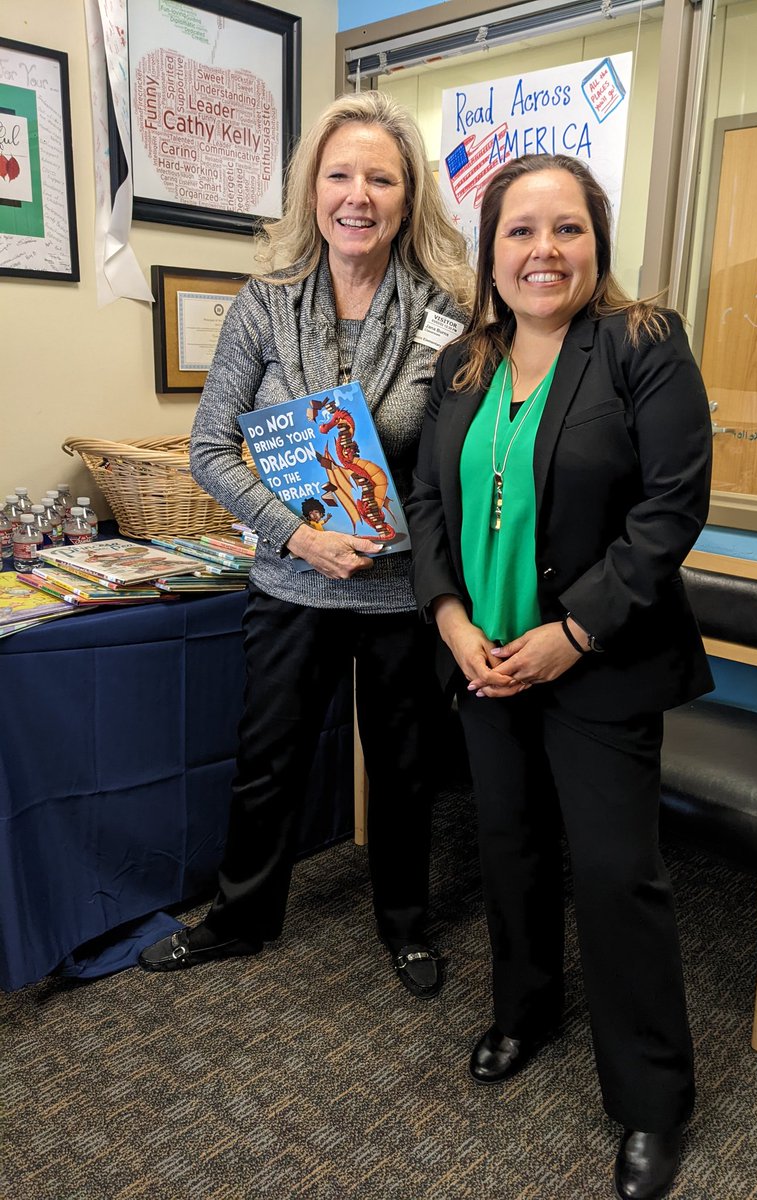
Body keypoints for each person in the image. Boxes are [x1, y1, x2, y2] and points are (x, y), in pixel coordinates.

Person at [406, 153, 713, 1199]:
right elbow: (428, 507)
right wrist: (449, 617)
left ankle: (651, 1101)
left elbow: (669, 511)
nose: (544, 251)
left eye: (567, 229)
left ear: (598, 241)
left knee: (616, 876)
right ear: (490, 252)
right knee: (510, 848)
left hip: (598, 665)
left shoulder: (643, 345)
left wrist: (571, 633)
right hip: (486, 657)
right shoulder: (461, 362)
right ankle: (524, 1009)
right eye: (520, 232)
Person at [139, 92, 471, 1000]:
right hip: (293, 584)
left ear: (409, 199)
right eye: (339, 175)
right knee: (268, 760)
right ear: (312, 191)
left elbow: (454, 460)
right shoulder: (265, 306)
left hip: (403, 594)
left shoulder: (448, 317)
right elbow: (210, 448)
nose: (357, 195)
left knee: (405, 772)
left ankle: (404, 926)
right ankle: (240, 918)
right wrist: (297, 536)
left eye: (381, 178)